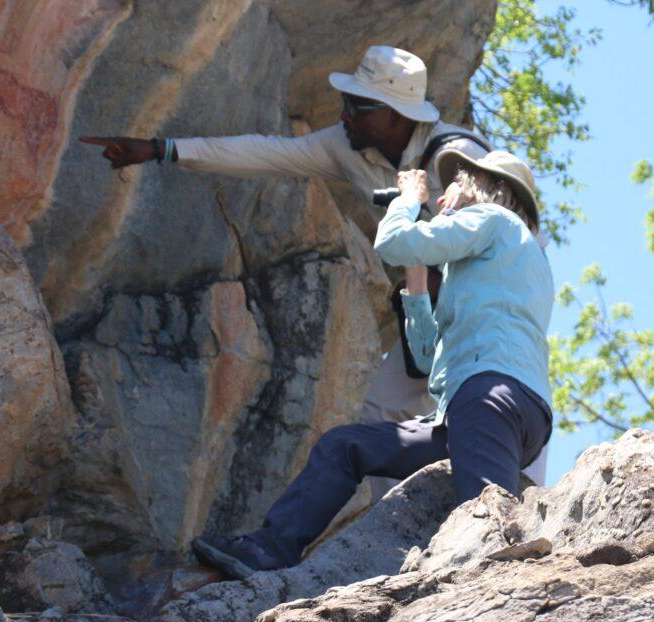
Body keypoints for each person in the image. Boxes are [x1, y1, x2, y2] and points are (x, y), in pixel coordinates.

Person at [80, 45, 490, 426]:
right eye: (346, 102)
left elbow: (512, 240)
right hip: (429, 305)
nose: (344, 114)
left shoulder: (457, 156)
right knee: (378, 415)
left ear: (396, 116)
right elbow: (264, 153)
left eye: (357, 106)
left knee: (481, 410)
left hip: (490, 304)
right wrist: (160, 149)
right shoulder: (346, 147)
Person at [194, 148, 554, 579]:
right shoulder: (510, 261)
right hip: (483, 409)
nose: (445, 194)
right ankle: (268, 549)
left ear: (481, 188)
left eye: (454, 184)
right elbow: (424, 358)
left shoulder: (495, 221)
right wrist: (417, 283)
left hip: (486, 399)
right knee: (345, 447)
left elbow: (392, 242)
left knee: (488, 543)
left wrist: (408, 200)